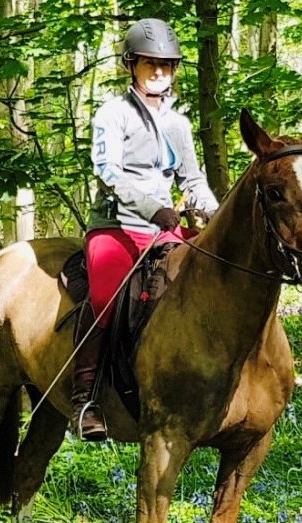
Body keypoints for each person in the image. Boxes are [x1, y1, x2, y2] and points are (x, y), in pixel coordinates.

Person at [72, 17, 219, 442]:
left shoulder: (179, 124)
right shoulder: (112, 113)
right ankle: (85, 398)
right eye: (150, 63)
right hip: (116, 224)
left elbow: (193, 183)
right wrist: (153, 207)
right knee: (104, 295)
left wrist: (214, 212)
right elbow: (108, 173)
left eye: (167, 65)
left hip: (162, 229)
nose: (159, 72)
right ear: (131, 64)